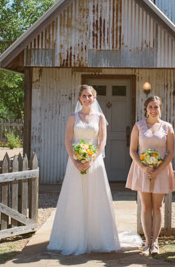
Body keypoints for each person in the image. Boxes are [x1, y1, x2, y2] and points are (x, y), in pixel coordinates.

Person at [47, 85, 120, 255]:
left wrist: (93, 158)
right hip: (75, 163)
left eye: (90, 96)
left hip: (95, 163)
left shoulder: (100, 117)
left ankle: (97, 237)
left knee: (96, 197)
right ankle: (74, 237)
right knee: (75, 198)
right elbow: (67, 139)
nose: (87, 98)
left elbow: (102, 141)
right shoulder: (73, 117)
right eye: (84, 96)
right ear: (79, 98)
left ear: (94, 98)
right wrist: (75, 160)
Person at [126, 95, 175, 256]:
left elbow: (170, 152)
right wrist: (143, 166)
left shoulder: (167, 127)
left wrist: (159, 168)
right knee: (146, 207)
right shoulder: (138, 126)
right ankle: (147, 242)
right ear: (146, 109)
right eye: (151, 107)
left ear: (161, 108)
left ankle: (155, 242)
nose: (154, 110)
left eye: (156, 107)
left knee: (158, 206)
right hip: (142, 171)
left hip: (161, 171)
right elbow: (133, 150)